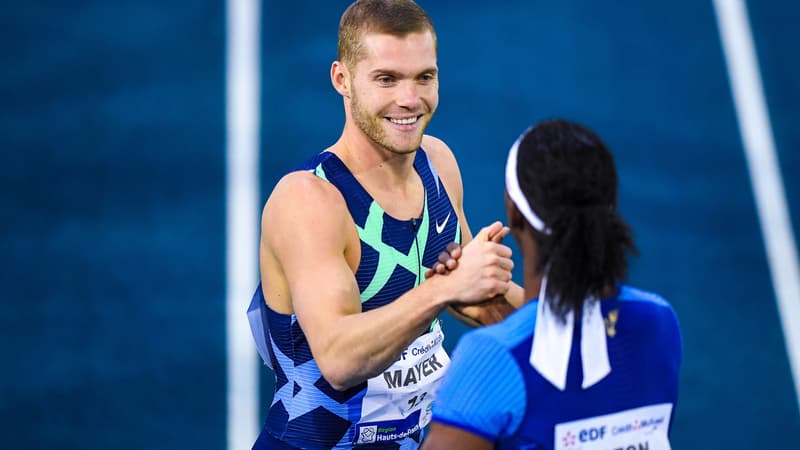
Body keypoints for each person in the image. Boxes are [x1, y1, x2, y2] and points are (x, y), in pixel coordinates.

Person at [246, 1, 523, 448]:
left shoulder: (437, 163)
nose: (409, 100)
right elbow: (339, 358)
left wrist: (574, 318)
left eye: (424, 77)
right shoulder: (309, 199)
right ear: (342, 80)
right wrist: (444, 290)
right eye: (387, 79)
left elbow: (478, 301)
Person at [421, 120, 683, 450]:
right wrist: (499, 311)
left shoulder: (490, 357)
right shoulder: (658, 321)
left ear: (514, 213)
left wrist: (438, 295)